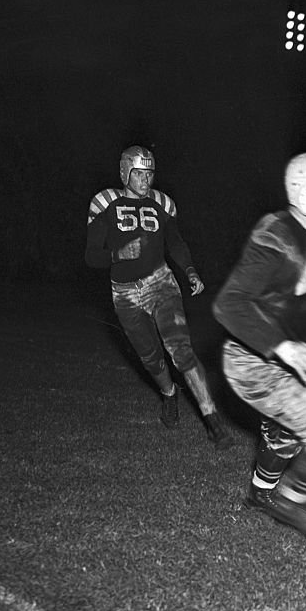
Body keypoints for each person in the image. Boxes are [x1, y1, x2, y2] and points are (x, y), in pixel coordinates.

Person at [213, 152, 306, 539]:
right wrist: (283, 346)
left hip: (286, 359)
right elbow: (229, 304)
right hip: (253, 359)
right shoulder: (276, 234)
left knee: (286, 435)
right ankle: (289, 501)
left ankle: (260, 495)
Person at [85, 145, 232, 449]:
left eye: (149, 172)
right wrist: (117, 254)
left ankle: (213, 420)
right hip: (125, 293)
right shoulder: (105, 202)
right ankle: (168, 394)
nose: (145, 179)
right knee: (151, 358)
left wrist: (190, 270)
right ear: (126, 172)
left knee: (181, 350)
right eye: (139, 173)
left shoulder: (163, 204)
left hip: (161, 282)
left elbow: (175, 242)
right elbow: (90, 255)